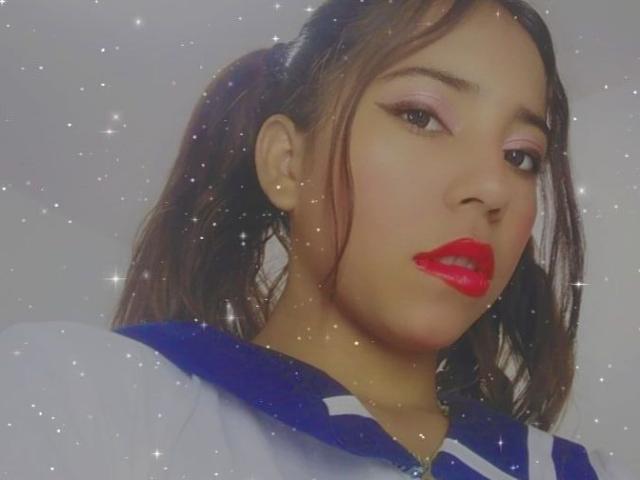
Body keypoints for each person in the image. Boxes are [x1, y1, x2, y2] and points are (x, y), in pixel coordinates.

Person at [0, 0, 637, 478]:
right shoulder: (78, 396)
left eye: (521, 156)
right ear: (287, 162)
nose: (493, 187)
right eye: (421, 116)